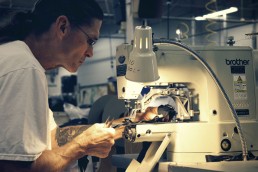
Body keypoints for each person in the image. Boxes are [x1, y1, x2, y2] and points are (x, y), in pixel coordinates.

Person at [0, 0, 117, 171]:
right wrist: (81, 146)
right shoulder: (24, 67)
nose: (90, 53)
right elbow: (16, 168)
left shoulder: (17, 56)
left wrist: (123, 125)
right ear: (62, 26)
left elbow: (53, 138)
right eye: (90, 41)